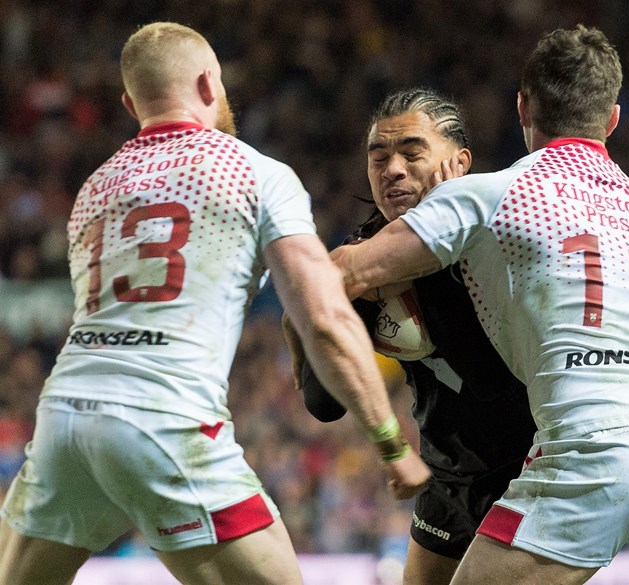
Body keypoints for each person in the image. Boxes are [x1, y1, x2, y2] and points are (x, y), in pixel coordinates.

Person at [328, 25, 629, 585]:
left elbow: (342, 274)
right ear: (613, 119)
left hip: (591, 448)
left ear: (522, 106)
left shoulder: (488, 193)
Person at [0, 22, 429, 585]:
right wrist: (391, 442)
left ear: (131, 103)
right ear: (210, 83)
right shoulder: (255, 172)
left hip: (66, 420)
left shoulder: (95, 189)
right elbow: (323, 317)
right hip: (167, 417)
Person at [296, 88, 536, 585]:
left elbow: (490, 379)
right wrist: (359, 294)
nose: (393, 169)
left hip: (529, 471)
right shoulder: (362, 260)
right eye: (379, 157)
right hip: (446, 476)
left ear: (459, 162)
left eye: (411, 152)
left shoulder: (500, 237)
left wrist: (432, 270)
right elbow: (324, 403)